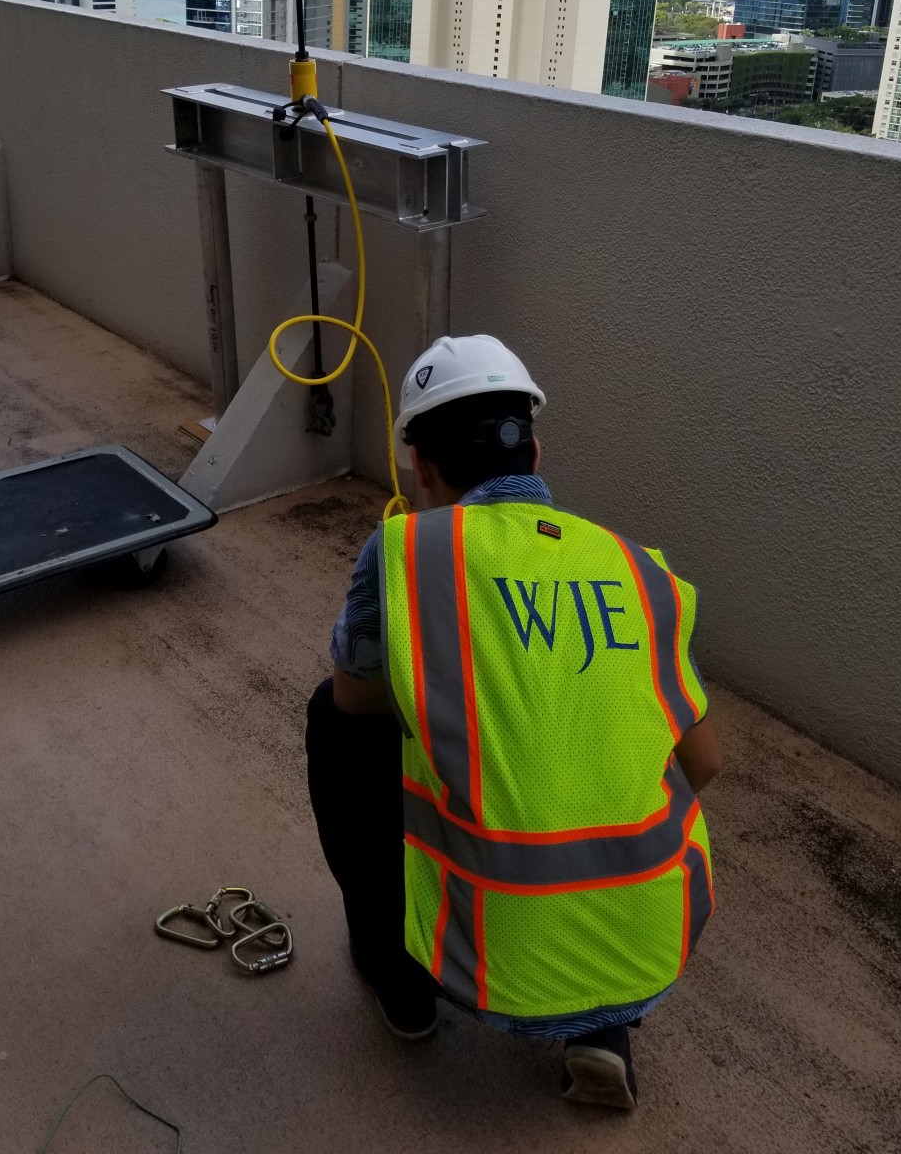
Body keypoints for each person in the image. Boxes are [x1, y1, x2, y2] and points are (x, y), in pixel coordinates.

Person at [306, 334, 720, 1112]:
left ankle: (403, 981)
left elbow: (358, 703)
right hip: (654, 935)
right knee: (612, 742)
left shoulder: (410, 550)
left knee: (333, 720)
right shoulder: (636, 566)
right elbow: (704, 761)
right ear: (535, 452)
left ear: (421, 466)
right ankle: (605, 1027)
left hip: (483, 956)